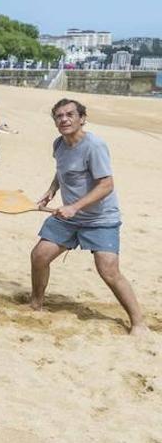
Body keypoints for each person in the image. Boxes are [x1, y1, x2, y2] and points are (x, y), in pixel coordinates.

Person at [30, 98, 147, 335]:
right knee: (40, 256)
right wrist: (52, 190)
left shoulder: (94, 146)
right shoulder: (59, 144)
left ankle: (138, 323)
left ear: (82, 118)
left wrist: (75, 207)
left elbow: (106, 185)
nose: (64, 119)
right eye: (59, 116)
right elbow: (62, 171)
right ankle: (36, 303)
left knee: (109, 270)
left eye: (70, 114)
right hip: (70, 217)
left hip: (100, 218)